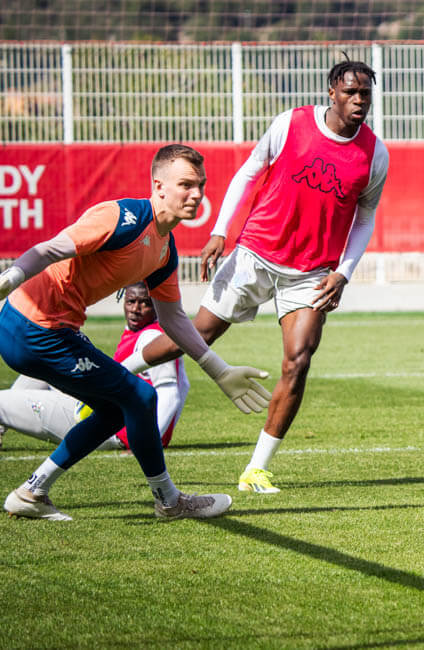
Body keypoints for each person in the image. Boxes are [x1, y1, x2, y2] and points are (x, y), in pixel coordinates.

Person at [130, 59, 389, 494]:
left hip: (311, 273)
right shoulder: (291, 123)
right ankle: (114, 375)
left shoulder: (375, 154)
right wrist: (220, 231)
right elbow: (249, 171)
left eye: (365, 93)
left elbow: (365, 218)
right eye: (350, 91)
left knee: (298, 361)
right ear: (332, 92)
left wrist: (344, 273)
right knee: (197, 335)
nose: (358, 100)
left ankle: (256, 470)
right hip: (255, 253)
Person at [0, 144, 271, 521]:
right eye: (186, 185)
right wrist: (11, 277)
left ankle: (32, 491)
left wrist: (219, 369)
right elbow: (50, 250)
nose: (196, 194)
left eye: (201, 185)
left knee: (116, 409)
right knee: (140, 397)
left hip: (43, 330)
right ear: (159, 186)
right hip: (34, 328)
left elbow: (173, 319)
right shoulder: (123, 217)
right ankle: (169, 501)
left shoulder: (164, 251)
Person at [0, 282, 189, 452]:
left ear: (156, 306)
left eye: (145, 303)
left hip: (112, 427)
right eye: (131, 302)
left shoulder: (151, 337)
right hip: (103, 411)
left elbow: (170, 392)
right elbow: (184, 385)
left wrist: (148, 442)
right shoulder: (142, 333)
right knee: (40, 366)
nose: (135, 309)